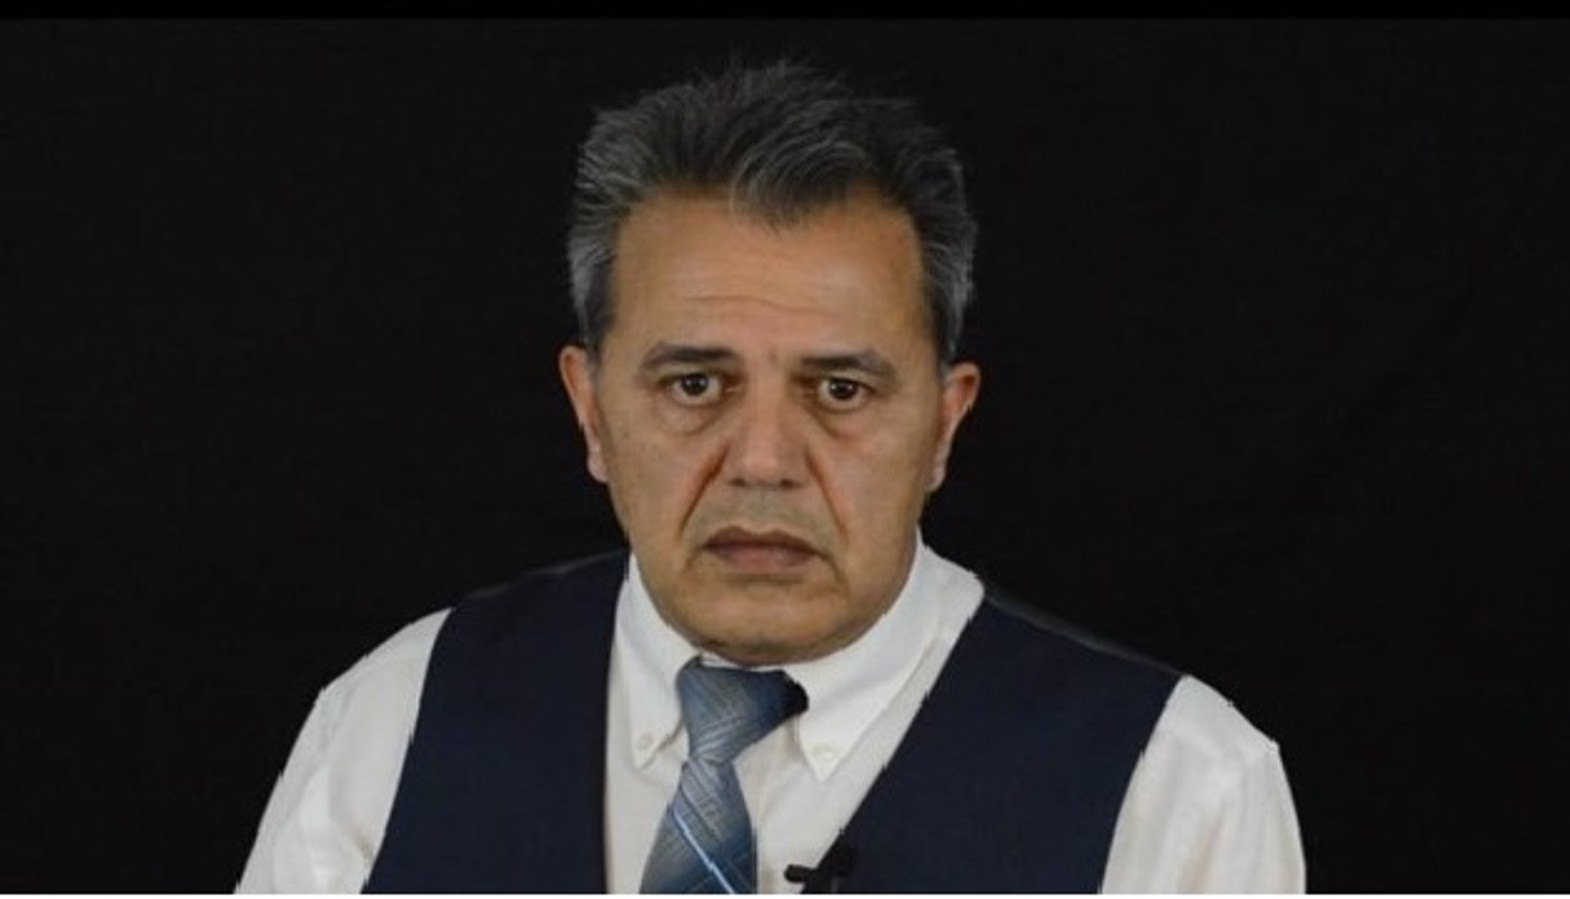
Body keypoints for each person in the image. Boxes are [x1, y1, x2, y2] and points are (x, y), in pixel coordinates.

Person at [237, 60, 1304, 893]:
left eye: (839, 390)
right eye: (695, 383)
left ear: (944, 422)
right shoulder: (396, 716)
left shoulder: (1178, 783)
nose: (762, 460)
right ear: (590, 409)